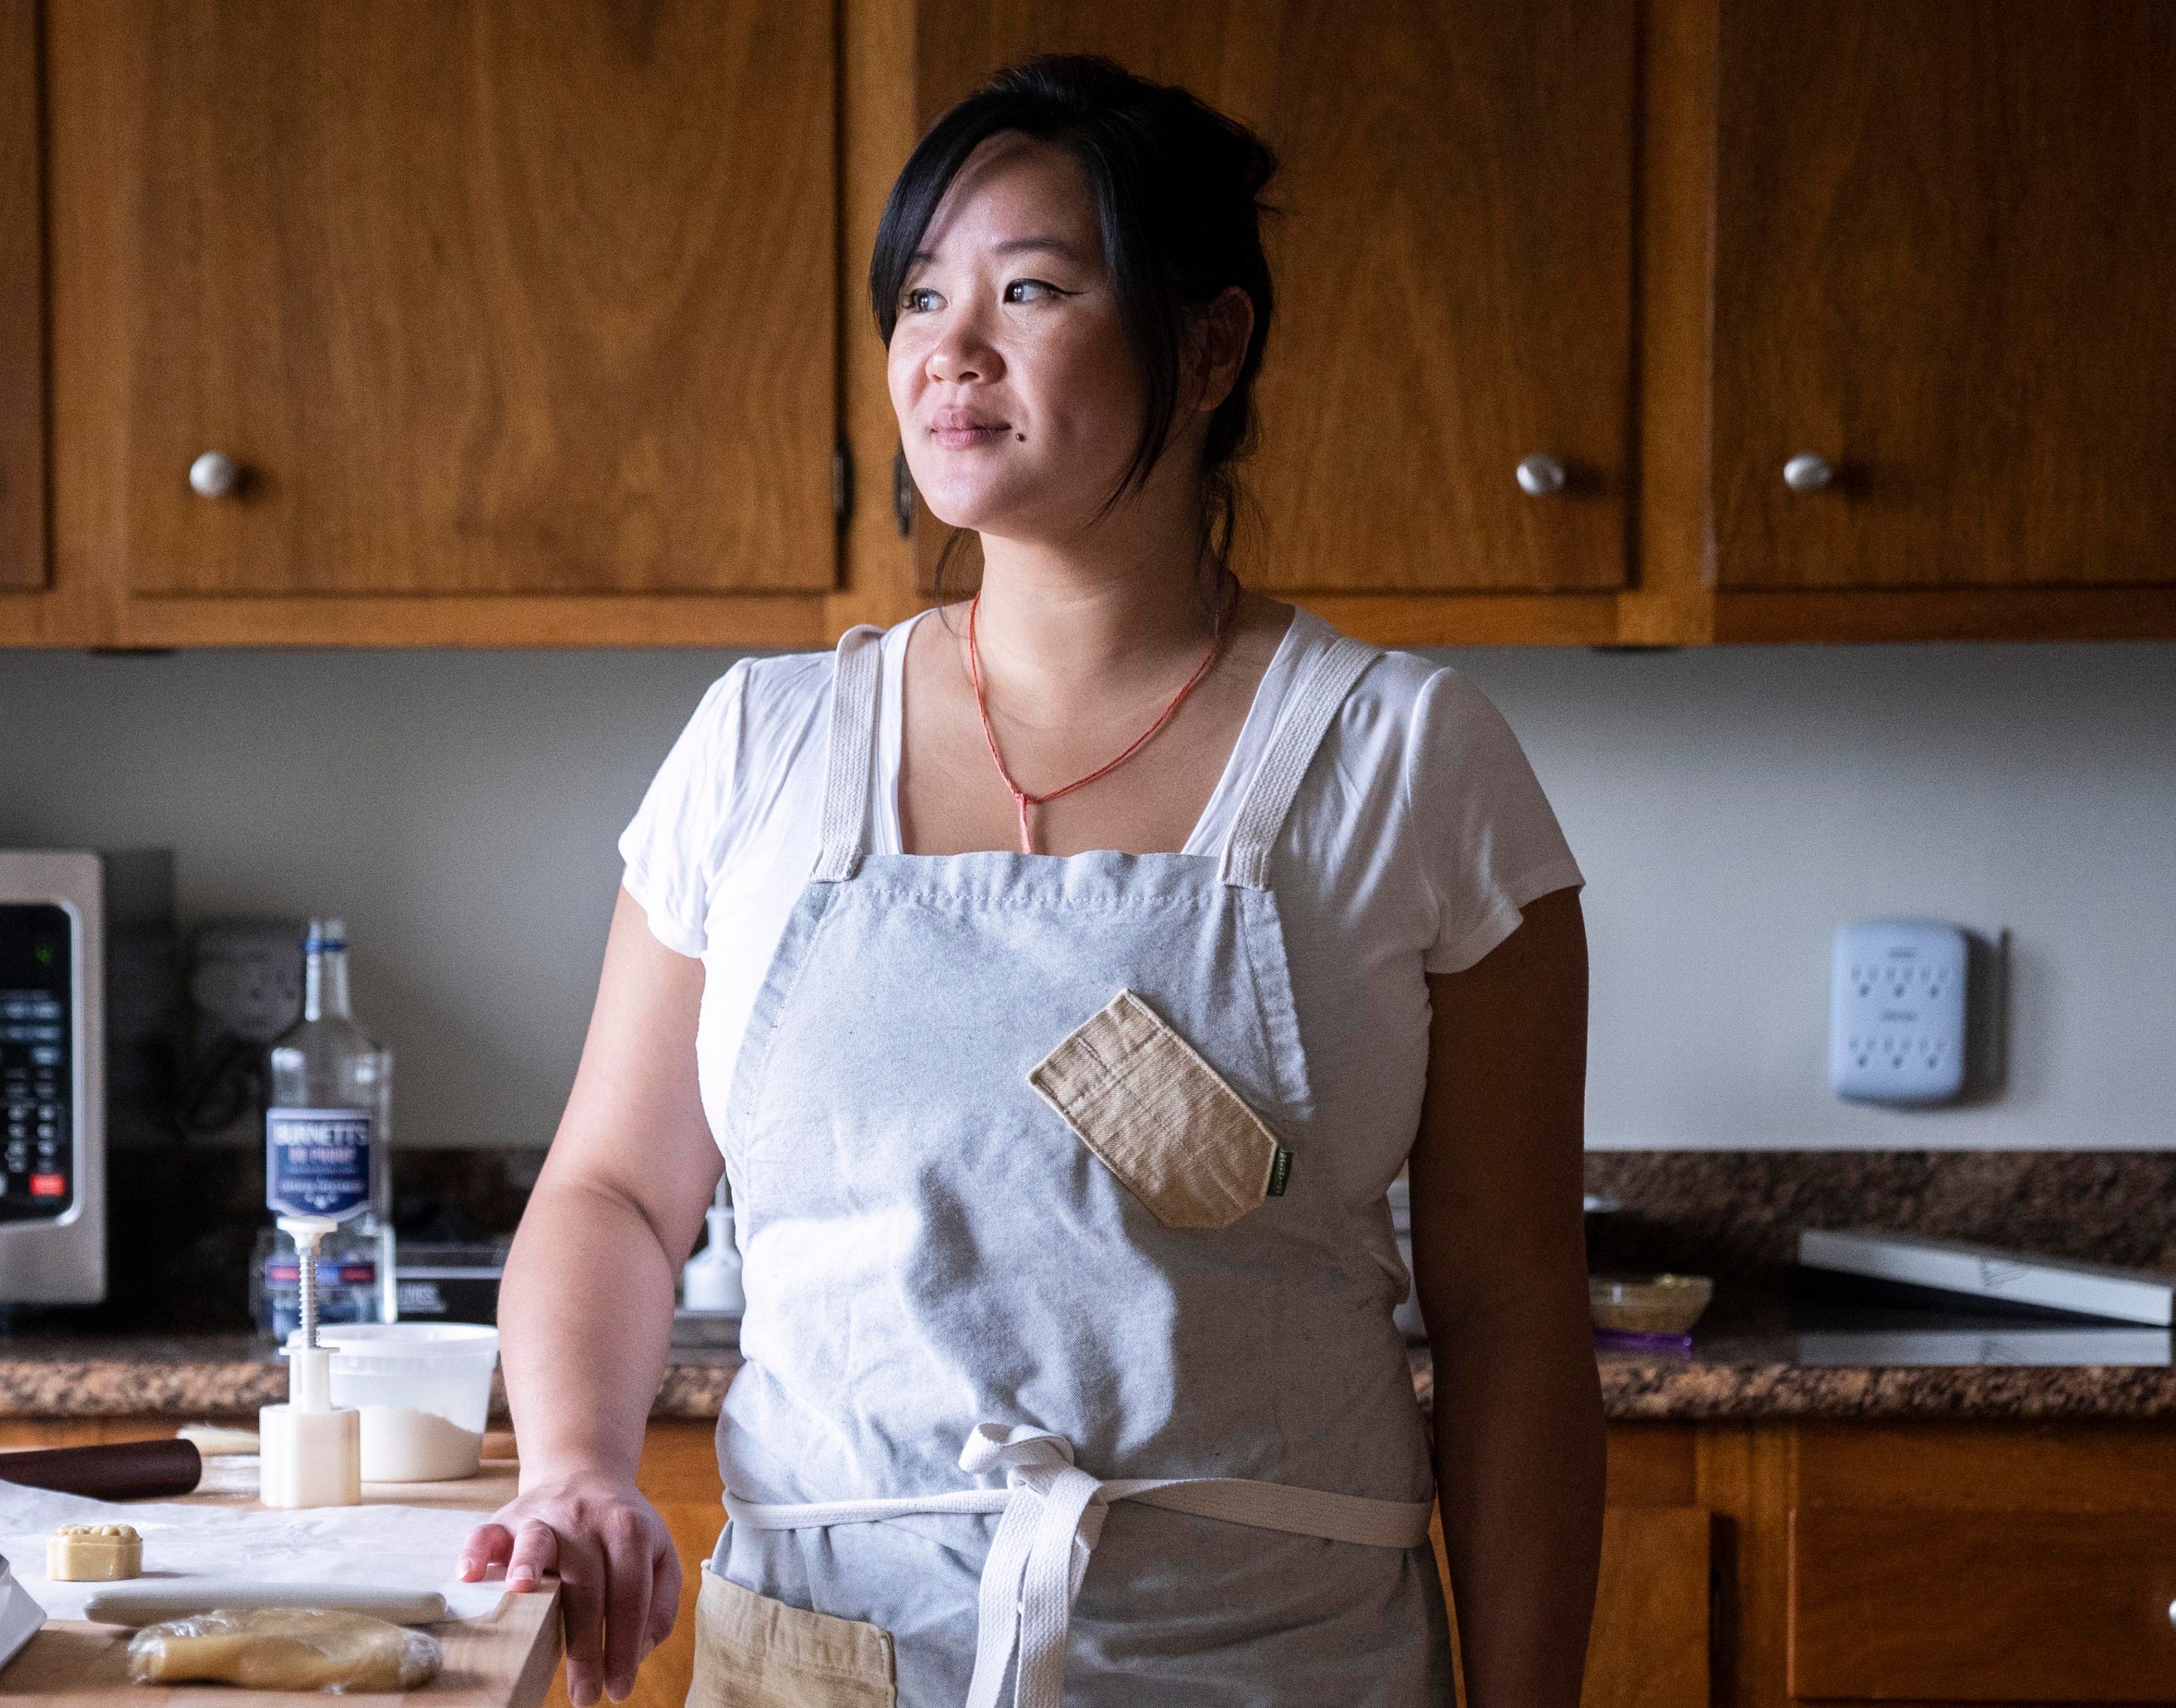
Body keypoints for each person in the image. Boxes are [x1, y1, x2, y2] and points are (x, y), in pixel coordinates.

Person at [462, 54, 1603, 1708]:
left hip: (1273, 1666)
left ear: (1210, 346)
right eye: (920, 296)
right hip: (828, 1666)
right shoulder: (765, 746)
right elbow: (618, 1194)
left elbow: (1512, 1318)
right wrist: (574, 1459)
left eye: (1032, 288)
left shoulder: (1410, 760)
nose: (948, 348)